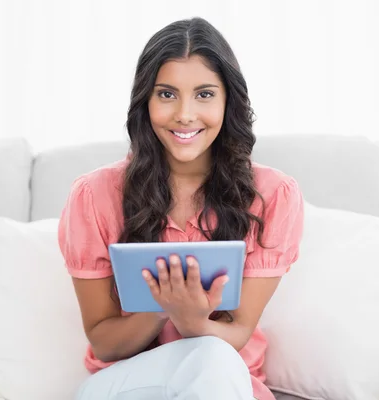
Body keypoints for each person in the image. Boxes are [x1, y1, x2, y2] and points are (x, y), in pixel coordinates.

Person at [58, 17, 304, 400]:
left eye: (204, 94)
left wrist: (191, 321)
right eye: (167, 94)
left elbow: (236, 335)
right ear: (146, 102)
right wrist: (159, 308)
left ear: (228, 102)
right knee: (212, 358)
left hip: (223, 379)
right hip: (128, 384)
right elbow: (104, 343)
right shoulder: (94, 195)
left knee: (214, 357)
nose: (185, 114)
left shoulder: (273, 195)